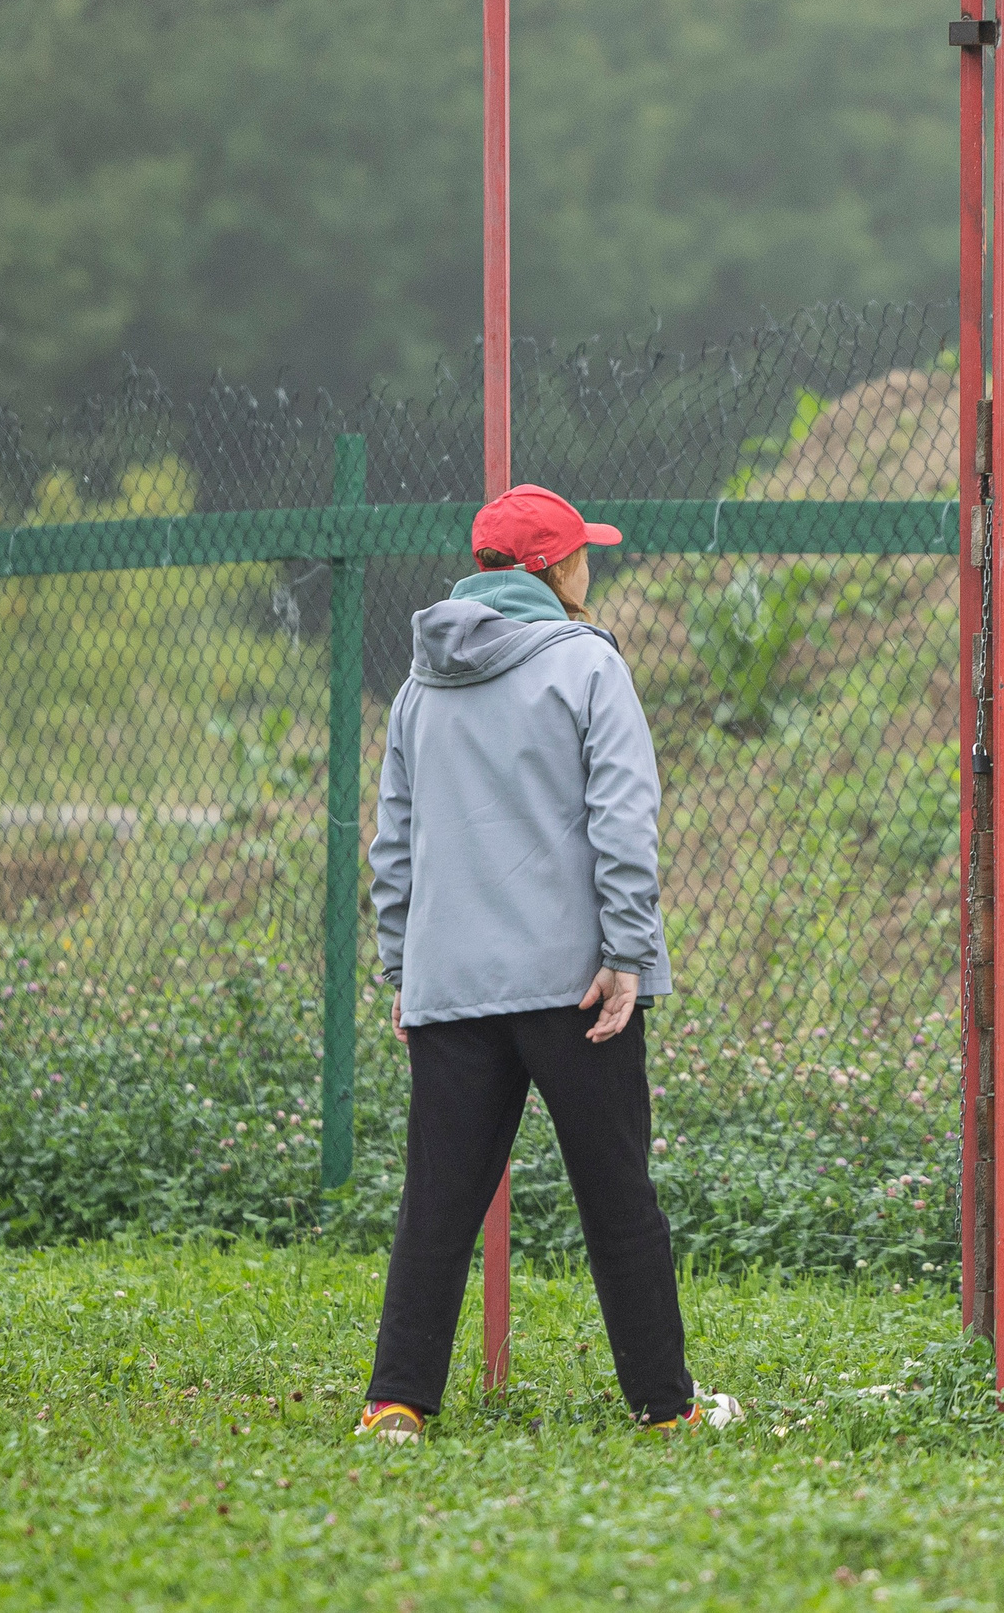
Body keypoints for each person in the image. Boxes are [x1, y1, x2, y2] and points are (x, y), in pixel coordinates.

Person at [354, 483, 736, 1443]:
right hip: (577, 985)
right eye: (583, 554)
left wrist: (404, 967)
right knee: (617, 1198)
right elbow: (622, 817)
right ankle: (665, 1409)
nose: (590, 566)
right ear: (556, 570)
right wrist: (628, 953)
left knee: (437, 1204)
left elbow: (392, 841)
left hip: (450, 988)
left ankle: (395, 1404)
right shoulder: (588, 665)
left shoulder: (416, 685)